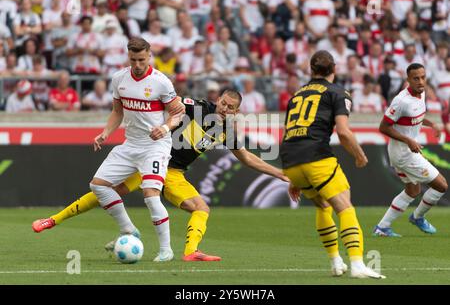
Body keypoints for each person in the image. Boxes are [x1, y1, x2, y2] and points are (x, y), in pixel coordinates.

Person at [32, 90, 292, 262]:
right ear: (218, 99)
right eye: (223, 102)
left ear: (236, 112)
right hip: (150, 160)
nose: (224, 108)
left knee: (201, 208)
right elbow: (174, 108)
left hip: (174, 174)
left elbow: (246, 158)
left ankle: (191, 252)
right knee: (106, 192)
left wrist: (279, 174)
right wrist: (170, 124)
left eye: (231, 107)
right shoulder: (197, 106)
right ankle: (53, 220)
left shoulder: (228, 130)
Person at [281, 50, 385, 279]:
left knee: (322, 205)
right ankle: (357, 264)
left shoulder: (296, 95)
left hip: (290, 159)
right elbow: (344, 132)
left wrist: (293, 174)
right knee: (344, 206)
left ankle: (336, 262)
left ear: (311, 70)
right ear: (334, 69)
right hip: (316, 156)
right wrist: (359, 154)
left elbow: (288, 131)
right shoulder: (338, 92)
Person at [88, 37, 184, 262]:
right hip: (130, 144)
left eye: (141, 59)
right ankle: (129, 229)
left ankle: (166, 250)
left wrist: (165, 127)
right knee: (98, 186)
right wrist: (105, 132)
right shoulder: (119, 79)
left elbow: (177, 114)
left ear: (149, 56)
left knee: (151, 195)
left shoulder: (162, 82)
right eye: (133, 60)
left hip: (155, 145)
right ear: (128, 57)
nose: (138, 65)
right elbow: (117, 111)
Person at [373, 63, 448, 237]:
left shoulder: (420, 95)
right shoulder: (401, 101)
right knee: (441, 186)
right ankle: (418, 217)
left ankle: (382, 227)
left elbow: (416, 117)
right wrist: (408, 140)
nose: (421, 81)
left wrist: (432, 124)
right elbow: (383, 127)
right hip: (404, 154)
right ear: (408, 80)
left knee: (413, 191)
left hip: (404, 152)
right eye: (416, 78)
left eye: (423, 77)